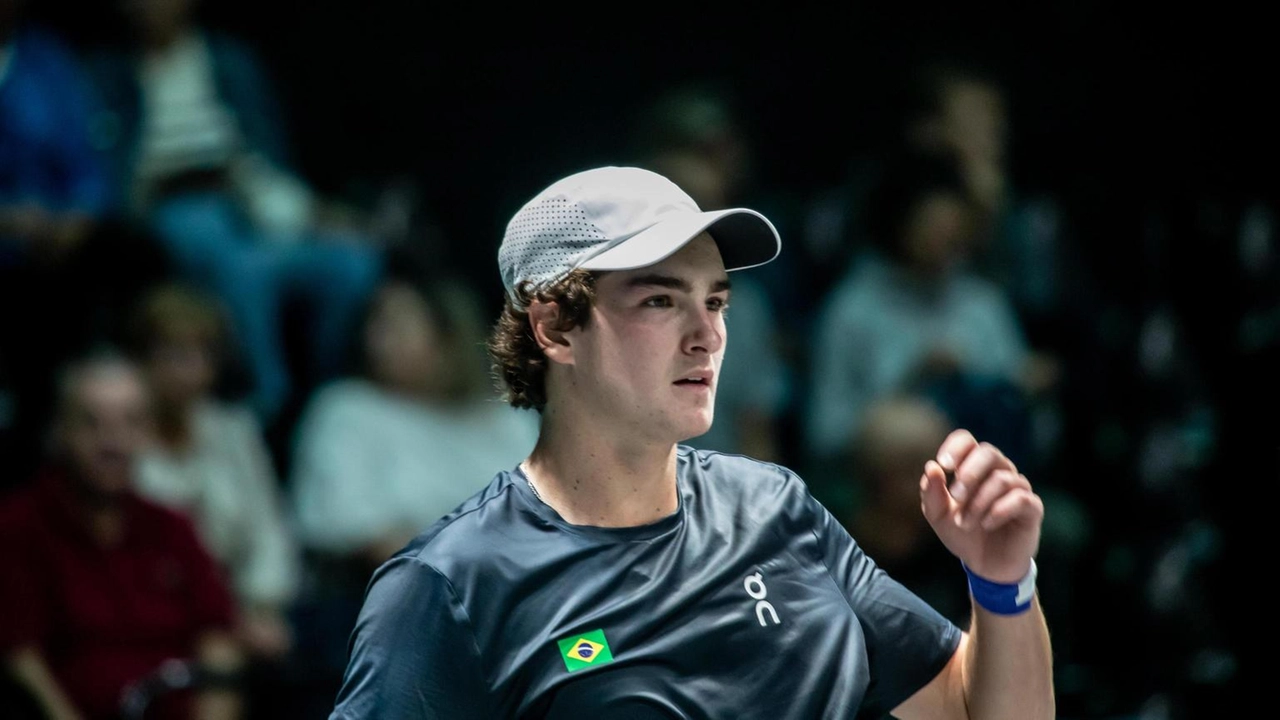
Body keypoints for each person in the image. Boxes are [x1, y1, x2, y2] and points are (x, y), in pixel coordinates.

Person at [328, 166, 1054, 718]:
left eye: (715, 299)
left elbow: (968, 708)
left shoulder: (778, 506)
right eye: (659, 299)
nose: (708, 334)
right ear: (554, 328)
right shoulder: (448, 587)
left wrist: (1002, 585)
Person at [0, 348, 243, 720]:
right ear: (60, 430)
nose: (112, 443)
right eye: (92, 424)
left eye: (131, 423)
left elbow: (217, 636)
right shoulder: (19, 524)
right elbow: (21, 658)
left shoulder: (173, 525)